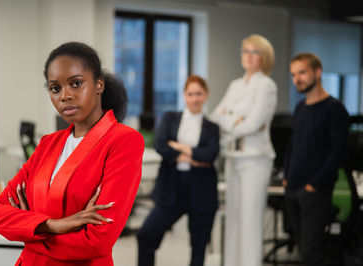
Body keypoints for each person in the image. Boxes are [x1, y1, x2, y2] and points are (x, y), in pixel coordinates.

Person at [0, 42, 145, 266]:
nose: (64, 96)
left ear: (99, 84)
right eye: (55, 88)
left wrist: (28, 230)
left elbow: (97, 241)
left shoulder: (123, 141)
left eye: (76, 83)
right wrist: (53, 224)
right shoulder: (47, 144)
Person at [137, 75, 220, 266]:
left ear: (206, 95)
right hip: (171, 188)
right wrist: (191, 157)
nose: (195, 98)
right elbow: (160, 144)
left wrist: (180, 147)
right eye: (190, 94)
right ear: (184, 95)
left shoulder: (212, 127)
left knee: (199, 248)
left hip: (202, 191)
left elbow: (210, 155)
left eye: (199, 93)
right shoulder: (170, 118)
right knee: (146, 235)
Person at [210, 34, 277, 266]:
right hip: (233, 158)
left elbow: (254, 122)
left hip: (255, 161)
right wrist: (235, 121)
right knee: (234, 220)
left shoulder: (267, 86)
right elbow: (215, 117)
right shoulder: (235, 85)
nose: (248, 56)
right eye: (245, 51)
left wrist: (233, 120)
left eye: (254, 52)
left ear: (264, 57)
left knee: (250, 222)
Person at [283, 52, 349, 266]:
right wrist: (286, 176)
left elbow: (338, 153)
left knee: (312, 254)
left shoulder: (334, 109)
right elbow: (293, 145)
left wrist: (314, 185)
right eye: (293, 74)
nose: (297, 79)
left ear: (318, 72)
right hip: (293, 188)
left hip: (315, 192)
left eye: (302, 72)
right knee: (303, 250)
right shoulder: (300, 108)